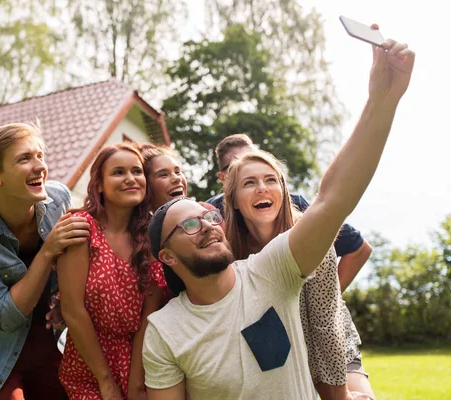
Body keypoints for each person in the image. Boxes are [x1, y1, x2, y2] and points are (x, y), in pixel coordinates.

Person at [142, 37, 414, 400]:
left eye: (209, 216)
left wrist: (382, 100)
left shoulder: (268, 273)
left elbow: (333, 199)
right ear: (168, 256)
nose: (207, 224)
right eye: (190, 224)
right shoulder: (164, 331)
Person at [0, 122, 90, 400]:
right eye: (25, 159)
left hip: (52, 345)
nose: (40, 167)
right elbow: (6, 316)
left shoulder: (58, 198)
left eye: (40, 156)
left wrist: (63, 298)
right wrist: (48, 252)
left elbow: (78, 267)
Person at [222, 150, 372, 400]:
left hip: (333, 352)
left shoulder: (309, 239)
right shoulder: (230, 254)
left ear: (283, 190)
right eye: (249, 183)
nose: (262, 188)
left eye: (271, 180)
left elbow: (326, 324)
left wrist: (342, 395)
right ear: (234, 200)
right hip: (278, 360)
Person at [57, 143, 166, 399]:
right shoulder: (82, 229)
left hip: (140, 359)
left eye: (137, 172)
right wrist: (105, 381)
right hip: (88, 362)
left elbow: (147, 318)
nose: (131, 179)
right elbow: (72, 310)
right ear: (99, 185)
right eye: (118, 172)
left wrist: (136, 383)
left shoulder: (150, 236)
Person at [206, 134, 373, 292]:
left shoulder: (296, 205)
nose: (249, 164)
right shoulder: (211, 214)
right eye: (236, 163)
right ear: (223, 178)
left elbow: (359, 249)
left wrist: (328, 294)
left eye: (254, 156)